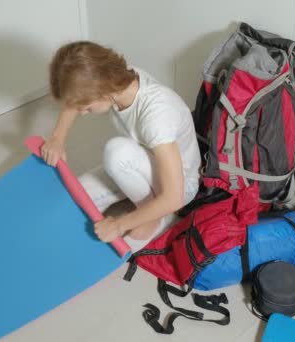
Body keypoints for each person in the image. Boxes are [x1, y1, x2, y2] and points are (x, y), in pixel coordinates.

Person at [41, 41, 200, 251]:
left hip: (179, 186)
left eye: (87, 108)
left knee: (116, 151)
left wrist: (119, 224)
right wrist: (57, 137)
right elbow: (75, 98)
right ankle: (142, 203)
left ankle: (152, 218)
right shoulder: (117, 77)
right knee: (70, 202)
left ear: (103, 91)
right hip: (142, 161)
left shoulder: (157, 115)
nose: (80, 112)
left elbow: (173, 197)